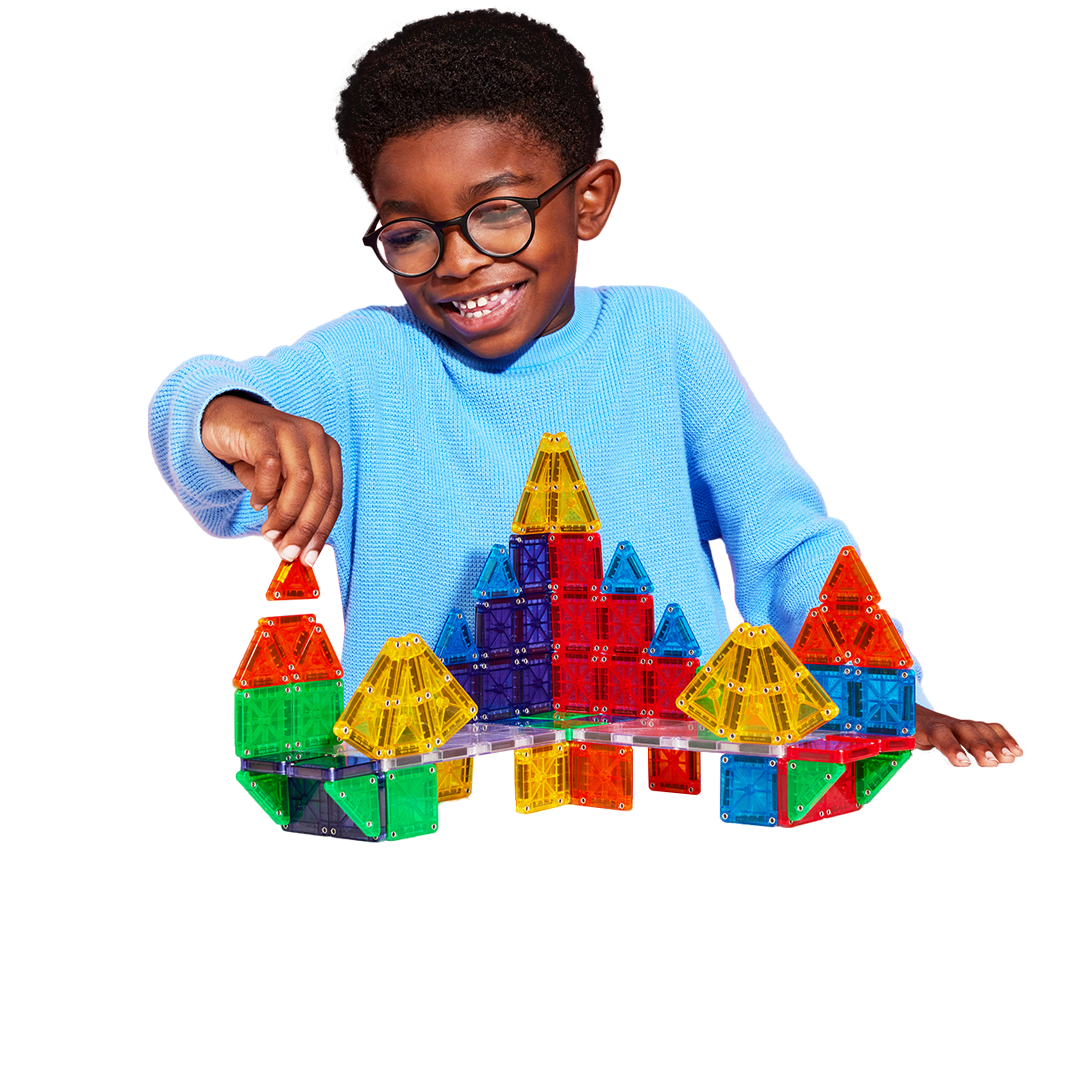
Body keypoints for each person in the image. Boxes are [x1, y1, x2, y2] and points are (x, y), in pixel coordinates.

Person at [147, 5, 1020, 770]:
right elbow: (189, 409)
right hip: (432, 787)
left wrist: (880, 700)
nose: (458, 262)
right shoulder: (361, 358)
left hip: (676, 776)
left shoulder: (662, 335)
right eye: (408, 232)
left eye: (498, 211)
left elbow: (783, 541)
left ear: (590, 200)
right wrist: (238, 418)